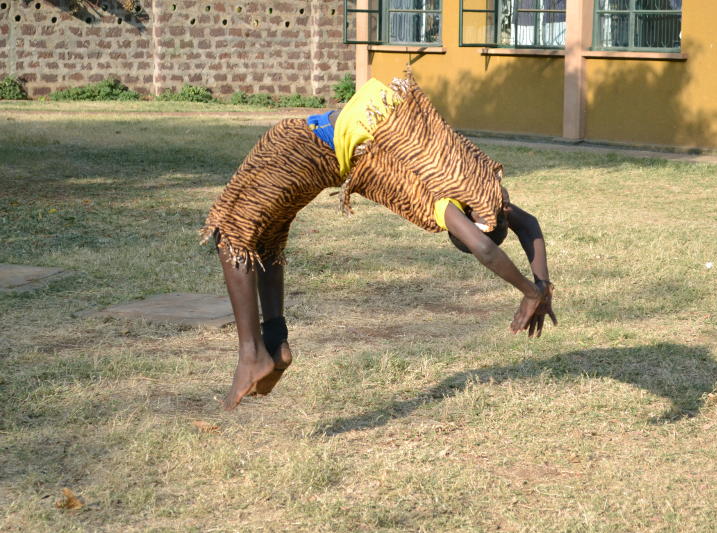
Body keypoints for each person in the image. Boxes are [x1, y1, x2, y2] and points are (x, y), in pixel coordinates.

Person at [202, 72, 557, 411]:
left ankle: (252, 355)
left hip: (306, 143)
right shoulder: (480, 196)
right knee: (266, 235)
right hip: (318, 148)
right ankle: (274, 342)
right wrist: (538, 287)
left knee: (231, 231)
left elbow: (501, 239)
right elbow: (515, 231)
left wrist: (533, 290)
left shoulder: (462, 188)